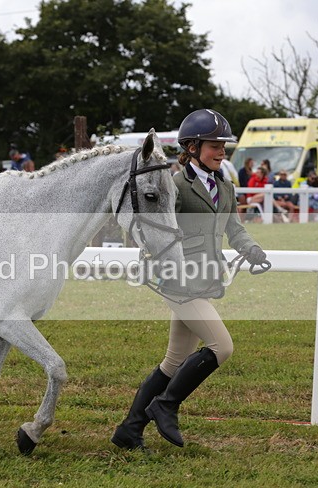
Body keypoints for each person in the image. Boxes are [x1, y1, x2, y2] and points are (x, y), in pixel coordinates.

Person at [112, 109, 266, 451]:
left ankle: (129, 431)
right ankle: (166, 405)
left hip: (203, 279)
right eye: (215, 145)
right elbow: (154, 221)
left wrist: (252, 249)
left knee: (173, 361)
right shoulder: (176, 186)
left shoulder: (225, 186)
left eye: (224, 145)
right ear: (193, 146)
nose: (222, 152)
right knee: (221, 347)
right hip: (177, 279)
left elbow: (234, 228)